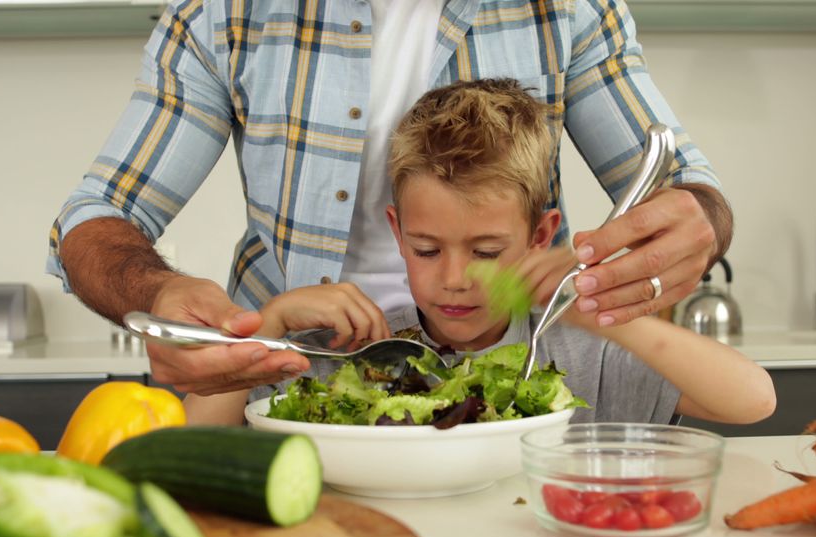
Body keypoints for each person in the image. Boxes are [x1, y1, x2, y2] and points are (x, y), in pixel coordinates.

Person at [48, 0, 733, 396]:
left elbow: (687, 194)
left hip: (507, 386)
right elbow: (95, 216)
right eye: (426, 247)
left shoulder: (566, 8)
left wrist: (692, 226)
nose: (454, 273)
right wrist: (159, 295)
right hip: (294, 390)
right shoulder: (225, 14)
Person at [185, 79, 773, 427]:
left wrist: (615, 323)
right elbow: (195, 430)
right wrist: (272, 325)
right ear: (397, 231)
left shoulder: (581, 347)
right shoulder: (364, 352)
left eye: (487, 250)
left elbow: (754, 401)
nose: (455, 279)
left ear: (542, 237)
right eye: (426, 248)